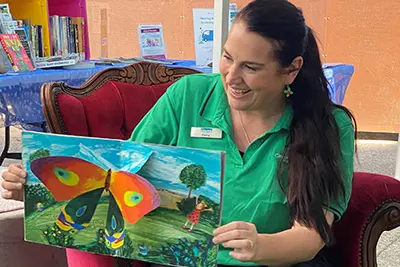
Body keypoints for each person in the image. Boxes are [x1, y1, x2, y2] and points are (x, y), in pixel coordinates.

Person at [1, 0, 356, 266]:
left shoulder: (326, 125)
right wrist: (37, 186)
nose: (231, 78)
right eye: (228, 57)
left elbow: (310, 236)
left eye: (251, 67)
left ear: (291, 70)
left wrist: (260, 246)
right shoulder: (189, 96)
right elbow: (123, 172)